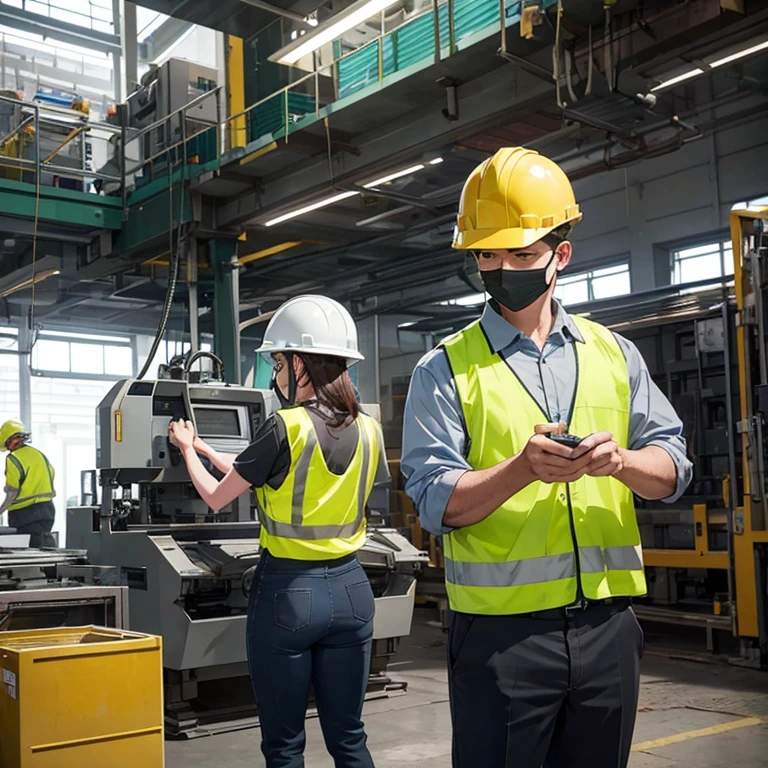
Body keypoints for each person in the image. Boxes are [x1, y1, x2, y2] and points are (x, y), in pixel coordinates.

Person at [401, 147, 693, 768]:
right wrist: (519, 469)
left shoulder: (615, 353)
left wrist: (622, 463)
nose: (501, 267)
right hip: (503, 639)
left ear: (561, 254)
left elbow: (672, 468)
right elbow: (432, 501)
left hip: (610, 628)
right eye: (486, 254)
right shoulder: (445, 368)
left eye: (521, 254)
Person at [169, 294, 388, 768]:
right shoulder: (370, 429)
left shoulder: (283, 426)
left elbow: (216, 496)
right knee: (349, 737)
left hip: (290, 594)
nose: (274, 372)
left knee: (285, 746)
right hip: (352, 591)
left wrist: (185, 450)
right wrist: (204, 445)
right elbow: (263, 471)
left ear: (300, 362)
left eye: (276, 361)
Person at [0, 420, 57, 548]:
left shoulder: (13, 458)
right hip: (47, 510)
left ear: (10, 440)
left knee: (26, 552)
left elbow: (13, 491)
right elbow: (51, 473)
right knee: (41, 547)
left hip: (25, 514)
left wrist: (1, 510)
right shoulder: (39, 454)